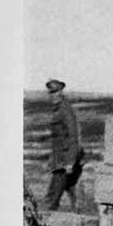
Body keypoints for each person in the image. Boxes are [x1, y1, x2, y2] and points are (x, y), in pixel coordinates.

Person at [45, 79, 83, 210]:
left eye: (55, 92)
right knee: (69, 196)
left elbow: (73, 136)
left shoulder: (65, 109)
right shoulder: (57, 109)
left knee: (51, 199)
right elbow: (57, 139)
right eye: (51, 93)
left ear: (61, 92)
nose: (52, 95)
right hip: (58, 159)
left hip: (64, 162)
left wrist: (70, 162)